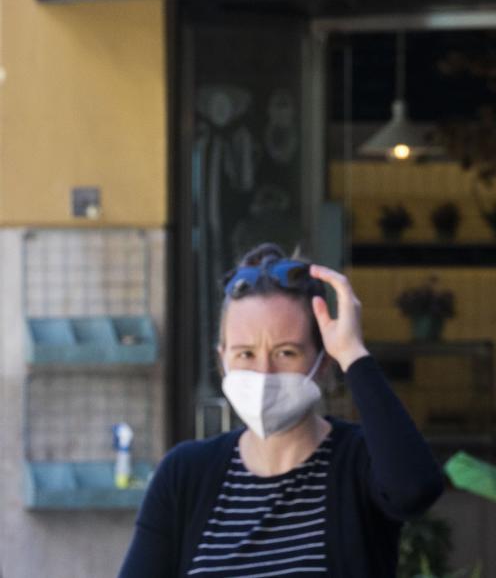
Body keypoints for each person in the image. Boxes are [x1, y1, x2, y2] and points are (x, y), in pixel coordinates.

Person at [119, 243, 444, 576]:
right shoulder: (184, 474)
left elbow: (414, 491)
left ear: (323, 362)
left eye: (286, 353)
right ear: (222, 360)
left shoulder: (359, 462)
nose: (264, 373)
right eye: (245, 354)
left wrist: (353, 353)